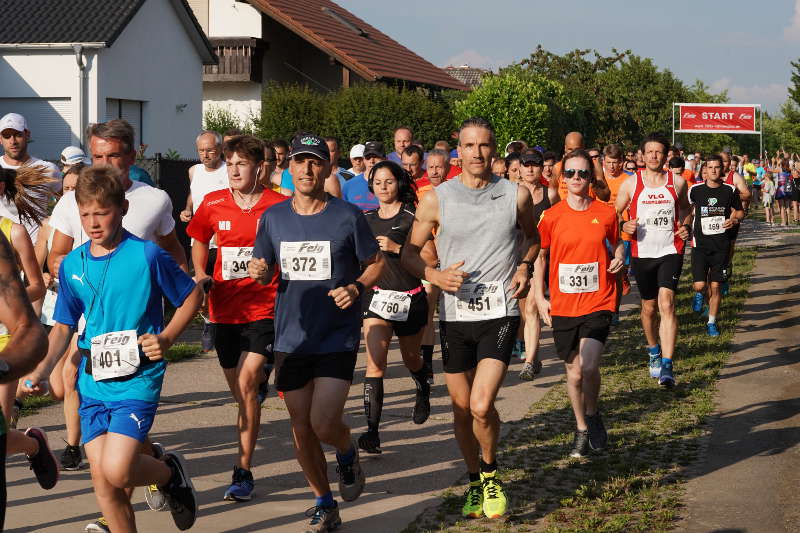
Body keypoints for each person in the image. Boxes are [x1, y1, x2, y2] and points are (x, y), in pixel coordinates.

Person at [38, 166, 203, 532]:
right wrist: (41, 369)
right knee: (104, 481)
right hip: (94, 381)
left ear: (123, 208)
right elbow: (64, 325)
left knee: (117, 468)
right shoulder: (73, 265)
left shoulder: (146, 255)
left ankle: (167, 473)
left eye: (102, 212)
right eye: (86, 214)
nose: (93, 222)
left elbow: (193, 295)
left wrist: (167, 337)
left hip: (138, 376)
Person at [402, 117, 541, 520]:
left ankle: (492, 473)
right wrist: (434, 274)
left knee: (481, 405)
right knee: (461, 410)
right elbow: (409, 253)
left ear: (494, 150)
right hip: (455, 314)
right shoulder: (436, 199)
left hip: (500, 310)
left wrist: (524, 267)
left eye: (484, 146)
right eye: (469, 146)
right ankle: (474, 480)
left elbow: (532, 237)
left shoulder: (516, 195)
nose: (477, 153)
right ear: (456, 152)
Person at [248, 133, 383, 532]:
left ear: (326, 167)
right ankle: (324, 501)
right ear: (288, 168)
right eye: (300, 161)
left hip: (335, 335)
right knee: (301, 427)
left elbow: (373, 264)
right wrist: (259, 272)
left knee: (324, 423)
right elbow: (263, 266)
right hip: (291, 336)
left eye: (315, 162)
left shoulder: (346, 216)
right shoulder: (273, 217)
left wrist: (356, 287)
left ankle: (345, 449)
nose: (307, 169)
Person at [187, 135, 284, 502]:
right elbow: (198, 237)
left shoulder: (278, 205)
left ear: (259, 167)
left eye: (241, 163)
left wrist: (271, 268)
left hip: (266, 308)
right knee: (243, 396)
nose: (234, 170)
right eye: (229, 164)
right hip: (225, 309)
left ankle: (242, 470)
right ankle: (257, 388)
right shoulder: (213, 203)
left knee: (245, 386)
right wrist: (200, 272)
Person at [534, 148, 624, 458]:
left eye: (582, 173)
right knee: (573, 374)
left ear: (590, 177)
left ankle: (594, 411)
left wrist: (621, 255)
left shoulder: (606, 212)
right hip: (563, 304)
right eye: (570, 173)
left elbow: (618, 243)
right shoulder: (552, 216)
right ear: (562, 178)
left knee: (588, 366)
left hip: (599, 299)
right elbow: (540, 257)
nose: (576, 178)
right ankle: (582, 425)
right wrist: (538, 296)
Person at [358, 160, 432, 454]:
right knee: (375, 362)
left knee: (411, 358)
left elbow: (431, 260)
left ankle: (422, 385)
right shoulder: (364, 219)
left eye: (389, 181)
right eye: (378, 182)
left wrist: (397, 248)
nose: (383, 187)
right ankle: (372, 432)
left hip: (410, 298)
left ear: (399, 183)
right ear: (371, 186)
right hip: (376, 299)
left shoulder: (413, 217)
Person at [615, 133, 690, 387]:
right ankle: (653, 350)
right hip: (642, 253)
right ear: (642, 155)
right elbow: (614, 214)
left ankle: (668, 365)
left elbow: (686, 210)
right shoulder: (631, 184)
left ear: (666, 155)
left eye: (659, 152)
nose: (654, 156)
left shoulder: (677, 182)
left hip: (670, 250)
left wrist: (685, 226)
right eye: (649, 152)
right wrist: (624, 224)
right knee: (648, 308)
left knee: (667, 303)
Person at [0, 224, 49, 530]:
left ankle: (32, 446)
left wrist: (4, 366)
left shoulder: (7, 236)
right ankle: (32, 446)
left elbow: (29, 329)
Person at [687, 155, 744, 336]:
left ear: (722, 170)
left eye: (716, 167)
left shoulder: (730, 190)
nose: (713, 170)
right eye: (710, 167)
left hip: (721, 245)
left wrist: (733, 219)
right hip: (700, 245)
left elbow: (741, 211)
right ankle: (699, 294)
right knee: (699, 285)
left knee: (716, 286)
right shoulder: (695, 190)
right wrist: (684, 225)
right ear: (705, 170)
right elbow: (685, 210)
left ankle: (711, 322)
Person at [517, 150, 559, 380]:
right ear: (520, 168)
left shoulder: (550, 194)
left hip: (541, 256)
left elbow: (560, 224)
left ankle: (530, 361)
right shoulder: (510, 193)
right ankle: (533, 353)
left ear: (542, 167)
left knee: (533, 305)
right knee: (524, 310)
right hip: (517, 255)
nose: (530, 169)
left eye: (535, 165)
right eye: (526, 165)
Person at [0, 113, 62, 243]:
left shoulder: (47, 169)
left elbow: (64, 203)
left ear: (27, 135)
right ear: (0, 139)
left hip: (37, 251)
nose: (12, 141)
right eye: (7, 136)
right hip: (3, 251)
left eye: (17, 134)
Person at [550, 132, 609, 202]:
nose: (573, 153)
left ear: (583, 147)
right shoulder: (558, 167)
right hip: (564, 211)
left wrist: (594, 185)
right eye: (570, 149)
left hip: (588, 209)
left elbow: (606, 196)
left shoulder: (594, 166)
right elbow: (552, 194)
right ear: (565, 148)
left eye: (576, 149)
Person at [341, 141, 384, 211]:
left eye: (376, 156)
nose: (372, 161)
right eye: (368, 157)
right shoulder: (349, 185)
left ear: (385, 159)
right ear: (364, 159)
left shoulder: (392, 185)